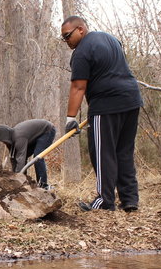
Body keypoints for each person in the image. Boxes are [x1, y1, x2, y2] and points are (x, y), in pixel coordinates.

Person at [60, 15, 143, 212]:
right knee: (123, 152)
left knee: (102, 153)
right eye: (63, 38)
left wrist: (71, 118)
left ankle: (105, 201)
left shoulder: (81, 52)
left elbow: (78, 87)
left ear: (81, 29)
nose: (66, 41)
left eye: (67, 36)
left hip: (106, 105)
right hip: (131, 100)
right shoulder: (110, 38)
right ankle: (130, 200)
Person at [0, 119, 57, 189]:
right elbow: (13, 158)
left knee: (37, 157)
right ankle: (25, 182)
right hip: (35, 136)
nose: (3, 143)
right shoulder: (11, 140)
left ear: (6, 137)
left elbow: (21, 158)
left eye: (3, 141)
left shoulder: (19, 137)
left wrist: (17, 179)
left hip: (47, 131)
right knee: (22, 157)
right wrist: (13, 175)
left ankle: (43, 185)